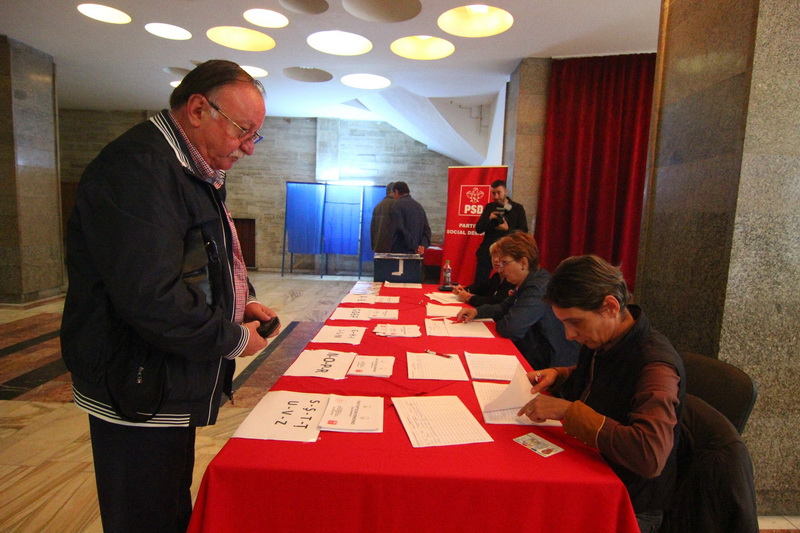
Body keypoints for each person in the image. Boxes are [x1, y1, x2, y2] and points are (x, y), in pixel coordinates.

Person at [60, 60, 281, 533]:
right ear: (199, 109)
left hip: (163, 374)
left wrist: (241, 302)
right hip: (136, 379)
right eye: (244, 131)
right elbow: (150, 296)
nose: (248, 148)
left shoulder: (187, 166)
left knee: (167, 503)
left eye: (254, 136)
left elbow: (201, 258)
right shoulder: (140, 168)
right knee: (146, 513)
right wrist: (231, 338)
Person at [515, 255, 686, 533]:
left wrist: (567, 411)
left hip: (629, 506)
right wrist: (561, 374)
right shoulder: (608, 338)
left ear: (610, 306)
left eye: (575, 322)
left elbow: (650, 454)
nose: (569, 335)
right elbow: (605, 377)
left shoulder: (656, 365)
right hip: (593, 467)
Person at [455, 233, 578, 369]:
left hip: (550, 364)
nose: (501, 268)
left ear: (523, 263)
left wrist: (504, 317)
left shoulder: (537, 288)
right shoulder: (528, 281)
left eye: (505, 263)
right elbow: (503, 307)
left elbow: (510, 329)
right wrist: (477, 312)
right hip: (535, 354)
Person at [473, 179, 528, 284]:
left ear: (506, 192)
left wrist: (507, 230)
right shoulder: (490, 207)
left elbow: (523, 231)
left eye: (499, 193)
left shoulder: (517, 208)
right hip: (488, 251)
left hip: (508, 251)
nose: (496, 196)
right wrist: (489, 218)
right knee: (480, 281)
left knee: (507, 282)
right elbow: (478, 229)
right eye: (493, 193)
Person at [389, 181, 431, 254]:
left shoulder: (397, 205)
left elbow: (400, 228)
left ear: (396, 191)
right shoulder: (419, 206)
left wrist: (413, 246)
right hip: (417, 254)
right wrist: (422, 246)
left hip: (401, 252)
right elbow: (426, 230)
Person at [370, 182, 395, 253]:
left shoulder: (377, 206)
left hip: (378, 247)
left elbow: (372, 229)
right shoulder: (395, 205)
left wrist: (374, 246)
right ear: (394, 191)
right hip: (390, 248)